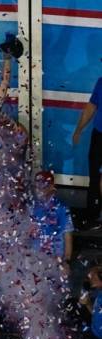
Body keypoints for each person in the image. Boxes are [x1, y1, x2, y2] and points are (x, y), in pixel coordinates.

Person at [72, 76, 102, 229]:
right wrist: (79, 129)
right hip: (99, 135)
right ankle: (93, 215)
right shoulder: (101, 81)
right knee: (94, 177)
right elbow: (91, 107)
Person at [30, 171, 73, 262]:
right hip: (34, 260)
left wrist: (67, 261)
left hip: (55, 259)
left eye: (43, 185)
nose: (40, 189)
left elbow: (67, 235)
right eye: (37, 185)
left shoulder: (61, 208)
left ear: (51, 186)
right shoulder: (32, 207)